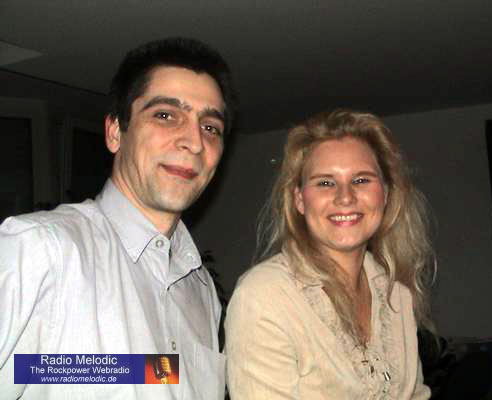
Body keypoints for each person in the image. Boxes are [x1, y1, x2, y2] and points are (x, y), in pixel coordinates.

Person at [0, 37, 236, 399]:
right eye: (165, 115)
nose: (194, 141)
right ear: (115, 133)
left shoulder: (201, 288)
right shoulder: (39, 252)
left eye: (210, 127)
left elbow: (153, 375)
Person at [225, 109, 435, 399]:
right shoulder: (265, 295)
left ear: (385, 194)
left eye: (361, 180)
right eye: (325, 182)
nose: (345, 197)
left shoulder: (397, 293)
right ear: (300, 199)